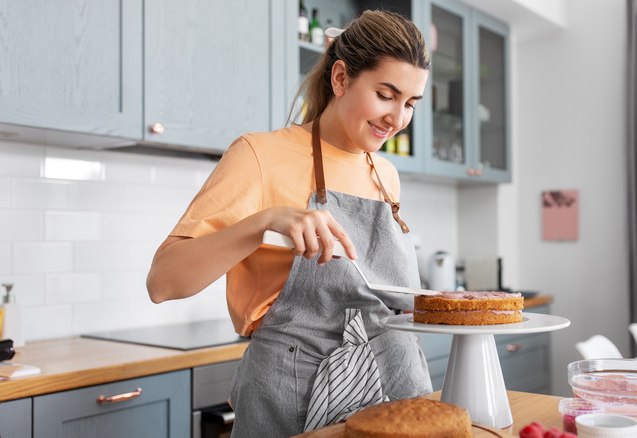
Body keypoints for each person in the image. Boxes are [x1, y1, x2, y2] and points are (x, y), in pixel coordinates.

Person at [146, 10, 433, 437]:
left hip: (390, 386)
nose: (398, 119)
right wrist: (263, 221)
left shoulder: (385, 173)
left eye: (410, 103)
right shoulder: (259, 155)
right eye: (386, 94)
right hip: (292, 393)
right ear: (340, 78)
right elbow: (162, 282)